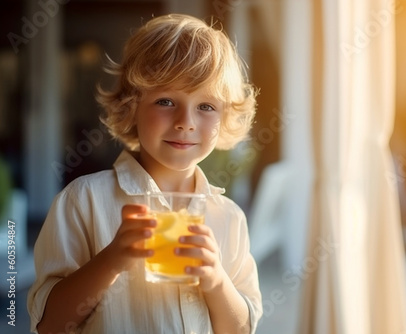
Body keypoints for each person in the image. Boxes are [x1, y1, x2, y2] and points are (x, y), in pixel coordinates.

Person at [27, 13, 262, 334]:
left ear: (227, 116)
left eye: (206, 106)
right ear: (131, 106)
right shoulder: (83, 201)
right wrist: (111, 260)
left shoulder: (229, 218)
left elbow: (241, 328)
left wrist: (217, 280)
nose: (186, 122)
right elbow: (49, 325)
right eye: (166, 101)